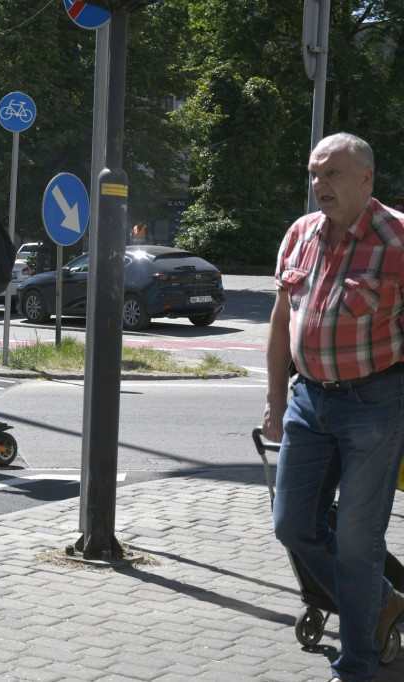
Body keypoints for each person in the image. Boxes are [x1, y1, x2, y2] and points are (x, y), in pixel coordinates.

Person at [262, 132, 404, 682]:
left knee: (357, 544)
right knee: (292, 526)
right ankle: (383, 600)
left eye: (333, 174)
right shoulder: (300, 234)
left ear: (366, 179)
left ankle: (358, 665)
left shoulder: (397, 238)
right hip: (308, 401)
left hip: (376, 404)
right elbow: (282, 321)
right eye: (315, 174)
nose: (320, 184)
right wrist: (276, 399)